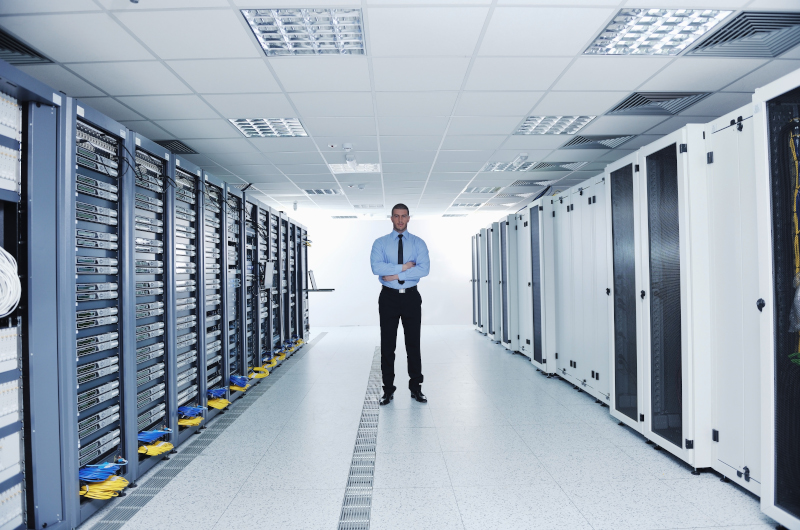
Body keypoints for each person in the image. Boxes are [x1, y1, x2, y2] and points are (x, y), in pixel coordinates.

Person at [370, 203, 430, 405]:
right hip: (388, 298)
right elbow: (376, 267)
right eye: (396, 216)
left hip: (411, 297)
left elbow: (424, 270)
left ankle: (416, 388)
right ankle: (387, 390)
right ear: (391, 218)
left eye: (404, 216)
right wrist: (405, 266)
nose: (400, 220)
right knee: (388, 345)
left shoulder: (418, 243)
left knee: (413, 344)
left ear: (409, 218)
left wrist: (395, 274)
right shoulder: (380, 243)